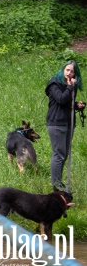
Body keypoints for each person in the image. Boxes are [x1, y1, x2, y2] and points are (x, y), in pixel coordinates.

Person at [45, 60, 85, 190]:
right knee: (59, 153)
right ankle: (56, 185)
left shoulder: (70, 85)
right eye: (67, 70)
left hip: (68, 122)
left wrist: (77, 106)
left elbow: (67, 104)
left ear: (75, 74)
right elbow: (61, 99)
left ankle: (59, 182)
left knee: (64, 154)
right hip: (56, 122)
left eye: (72, 71)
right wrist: (70, 87)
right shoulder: (54, 83)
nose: (69, 73)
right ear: (63, 70)